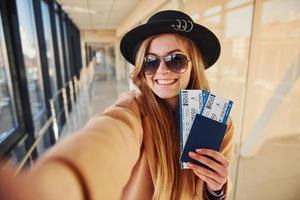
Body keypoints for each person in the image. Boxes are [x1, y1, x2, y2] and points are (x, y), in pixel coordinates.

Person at [0, 10, 233, 200]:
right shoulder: (133, 109)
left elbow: (210, 192)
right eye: (150, 62)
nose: (161, 71)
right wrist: (60, 184)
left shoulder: (217, 119)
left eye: (175, 59)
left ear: (194, 65)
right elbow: (109, 135)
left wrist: (217, 188)